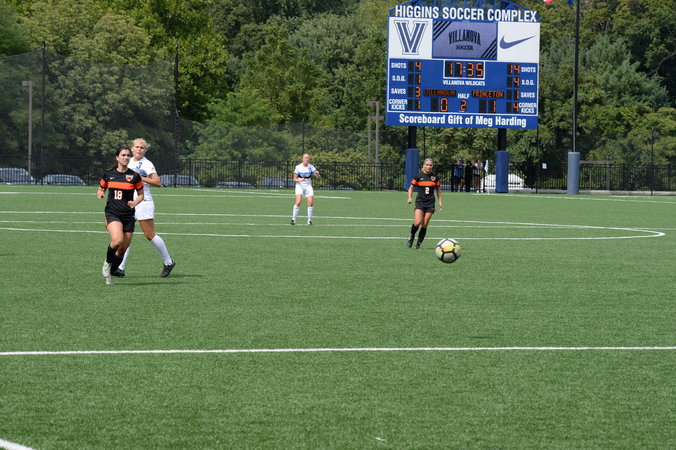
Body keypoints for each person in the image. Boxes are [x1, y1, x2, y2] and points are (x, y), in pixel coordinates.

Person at [116, 138, 175, 278]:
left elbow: (157, 183)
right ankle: (120, 268)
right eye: (136, 147)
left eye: (142, 148)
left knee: (149, 235)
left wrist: (141, 178)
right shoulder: (127, 161)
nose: (139, 149)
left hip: (144, 201)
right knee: (126, 234)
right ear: (132, 148)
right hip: (128, 202)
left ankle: (168, 262)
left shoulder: (147, 164)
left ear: (145, 150)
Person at [97, 145, 144, 285]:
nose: (126, 157)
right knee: (117, 241)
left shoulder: (134, 176)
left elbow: (141, 195)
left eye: (128, 155)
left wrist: (135, 202)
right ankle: (107, 263)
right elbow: (101, 187)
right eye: (123, 155)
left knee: (123, 249)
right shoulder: (109, 174)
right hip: (113, 213)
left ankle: (111, 273)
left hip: (128, 216)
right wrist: (100, 193)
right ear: (117, 157)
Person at [406, 158, 442, 250]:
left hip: (430, 203)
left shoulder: (435, 177)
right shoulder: (418, 176)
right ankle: (412, 236)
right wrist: (409, 197)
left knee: (425, 224)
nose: (429, 167)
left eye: (430, 165)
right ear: (424, 165)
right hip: (420, 202)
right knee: (417, 222)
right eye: (427, 165)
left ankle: (418, 245)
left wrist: (440, 202)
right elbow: (411, 188)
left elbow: (438, 190)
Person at [291, 153, 321, 225]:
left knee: (310, 203)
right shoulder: (298, 167)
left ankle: (309, 220)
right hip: (299, 185)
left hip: (308, 186)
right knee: (298, 202)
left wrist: (317, 174)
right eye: (305, 158)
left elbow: (318, 177)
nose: (307, 159)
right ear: (302, 159)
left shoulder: (311, 167)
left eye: (308, 158)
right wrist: (299, 180)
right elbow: (294, 179)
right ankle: (293, 219)